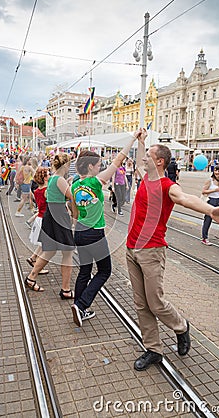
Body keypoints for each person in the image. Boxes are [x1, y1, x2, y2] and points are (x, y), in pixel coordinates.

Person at [126, 128, 219, 371]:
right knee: (141, 304)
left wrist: (210, 211)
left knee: (155, 303)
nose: (143, 159)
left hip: (152, 251)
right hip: (131, 249)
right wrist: (142, 142)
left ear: (159, 162)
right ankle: (153, 349)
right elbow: (141, 156)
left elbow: (186, 198)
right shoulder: (146, 177)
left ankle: (181, 327)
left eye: (148, 157)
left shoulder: (167, 185)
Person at [71, 133, 139, 327]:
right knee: (104, 271)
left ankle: (78, 307)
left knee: (84, 271)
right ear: (90, 166)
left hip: (80, 233)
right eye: (98, 164)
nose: (101, 167)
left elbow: (74, 211)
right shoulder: (95, 182)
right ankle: (83, 304)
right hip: (95, 233)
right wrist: (132, 140)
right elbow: (118, 161)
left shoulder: (75, 185)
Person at [24, 153, 77, 298]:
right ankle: (65, 289)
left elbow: (47, 195)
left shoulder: (52, 178)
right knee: (67, 253)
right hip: (59, 216)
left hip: (50, 215)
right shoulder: (60, 179)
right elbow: (72, 196)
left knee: (49, 250)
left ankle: (31, 277)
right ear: (66, 165)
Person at [26, 167, 50, 275]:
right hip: (45, 220)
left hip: (39, 218)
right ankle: (37, 269)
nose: (50, 176)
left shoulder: (36, 191)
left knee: (43, 243)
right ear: (45, 178)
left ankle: (33, 258)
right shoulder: (47, 191)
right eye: (48, 174)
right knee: (47, 247)